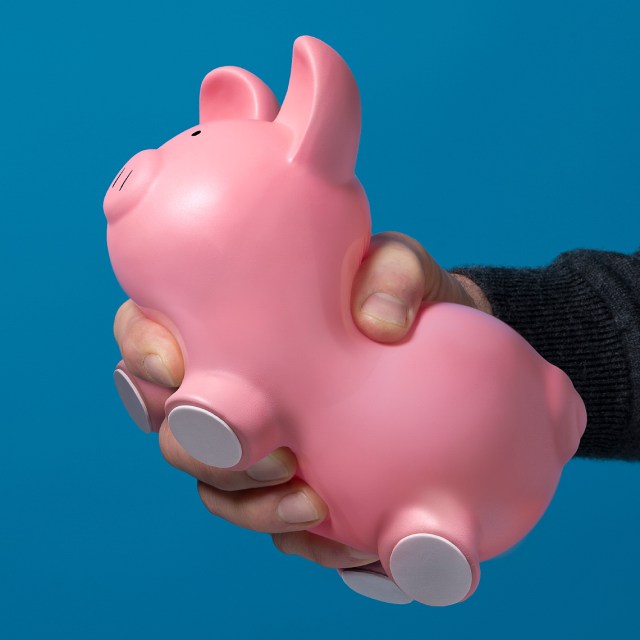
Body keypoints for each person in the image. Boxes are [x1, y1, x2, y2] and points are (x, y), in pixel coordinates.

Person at [113, 232, 640, 569]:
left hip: (509, 403)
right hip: (503, 393)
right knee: (192, 373)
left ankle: (432, 535)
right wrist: (495, 320)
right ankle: (424, 537)